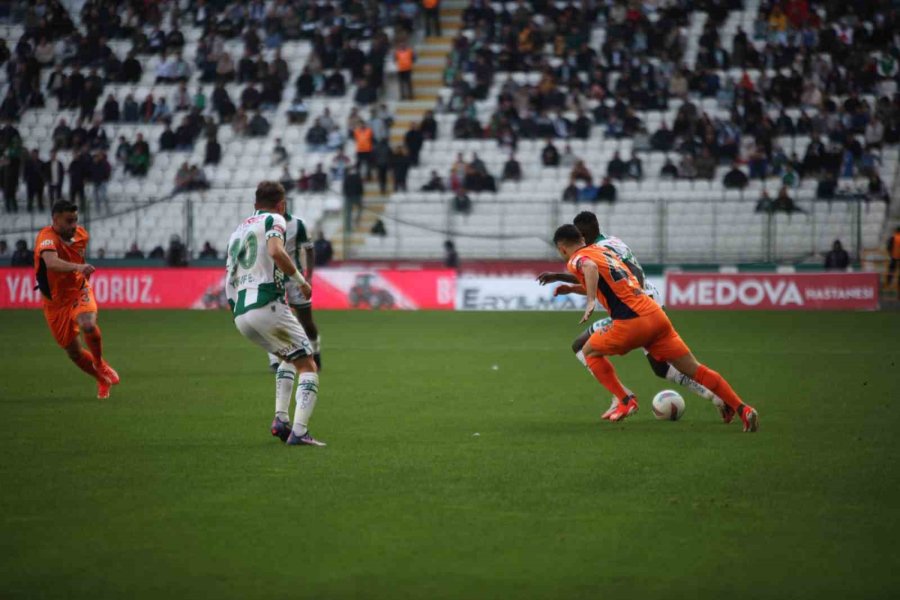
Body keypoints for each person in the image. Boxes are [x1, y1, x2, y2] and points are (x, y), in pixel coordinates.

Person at [551, 224, 759, 431]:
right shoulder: (603, 250)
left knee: (588, 351)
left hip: (631, 322)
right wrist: (571, 288)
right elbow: (611, 284)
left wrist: (589, 302)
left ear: (562, 249)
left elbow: (590, 268)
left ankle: (625, 400)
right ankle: (742, 409)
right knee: (695, 369)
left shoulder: (576, 259)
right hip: (656, 316)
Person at [224, 181, 324, 446]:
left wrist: (235, 308)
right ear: (281, 204)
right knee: (309, 365)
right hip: (267, 303)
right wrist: (301, 280)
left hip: (241, 313)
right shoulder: (276, 219)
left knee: (287, 357)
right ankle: (300, 432)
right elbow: (276, 251)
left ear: (255, 204)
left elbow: (229, 274)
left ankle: (281, 419)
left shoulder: (238, 230)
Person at [33, 201, 120, 399]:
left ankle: (99, 363)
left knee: (88, 323)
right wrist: (78, 267)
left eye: (75, 220)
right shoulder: (46, 238)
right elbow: (52, 263)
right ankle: (100, 379)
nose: (74, 226)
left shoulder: (82, 235)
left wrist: (81, 273)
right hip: (55, 302)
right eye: (69, 221)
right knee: (73, 352)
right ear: (55, 220)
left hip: (78, 290)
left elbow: (77, 260)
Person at [265, 210, 323, 371]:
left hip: (294, 280)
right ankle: (275, 362)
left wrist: (309, 275)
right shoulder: (263, 224)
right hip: (272, 279)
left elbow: (309, 249)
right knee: (271, 320)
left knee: (306, 321)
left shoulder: (298, 224)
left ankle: (316, 353)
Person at [886, 227, 900, 292]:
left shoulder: (893, 237)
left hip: (894, 257)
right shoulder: (894, 237)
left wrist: (890, 253)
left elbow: (888, 246)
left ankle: (889, 283)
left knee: (891, 271)